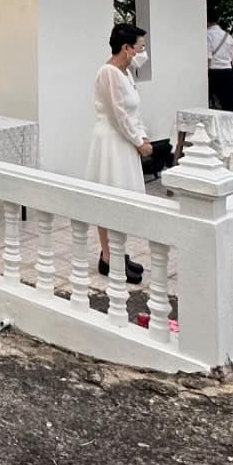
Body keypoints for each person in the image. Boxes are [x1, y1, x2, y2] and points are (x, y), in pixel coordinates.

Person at [83, 24, 148, 285]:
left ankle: (118, 251)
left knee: (123, 196)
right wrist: (137, 141)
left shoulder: (126, 73)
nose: (143, 52)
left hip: (124, 140)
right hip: (111, 141)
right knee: (109, 194)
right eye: (140, 47)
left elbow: (133, 112)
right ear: (126, 48)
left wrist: (141, 134)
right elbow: (117, 114)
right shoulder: (108, 73)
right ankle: (108, 256)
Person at [206, 13, 233, 112]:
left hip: (213, 72)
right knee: (229, 105)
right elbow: (231, 57)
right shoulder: (229, 37)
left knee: (206, 104)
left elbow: (208, 58)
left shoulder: (207, 35)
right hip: (228, 71)